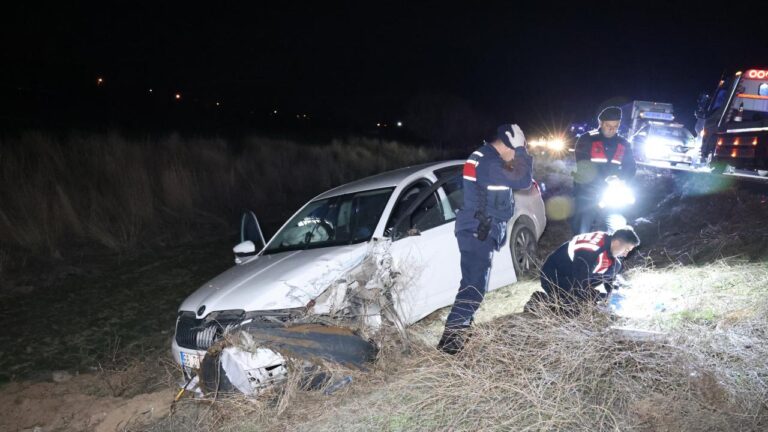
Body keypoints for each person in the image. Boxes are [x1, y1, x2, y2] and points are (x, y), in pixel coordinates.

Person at [437, 124, 534, 354]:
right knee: (473, 287)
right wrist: (522, 151)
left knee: (472, 284)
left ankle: (460, 332)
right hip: (477, 231)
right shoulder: (488, 162)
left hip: (476, 230)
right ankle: (450, 343)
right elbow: (523, 180)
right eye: (516, 150)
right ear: (509, 145)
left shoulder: (484, 158)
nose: (515, 157)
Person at [525, 228, 640, 313]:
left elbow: (608, 279)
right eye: (626, 249)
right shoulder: (590, 251)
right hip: (554, 276)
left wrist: (612, 293)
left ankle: (577, 299)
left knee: (615, 267)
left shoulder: (609, 247)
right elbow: (579, 285)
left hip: (575, 274)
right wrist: (599, 297)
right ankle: (539, 300)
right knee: (573, 311)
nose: (626, 254)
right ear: (617, 243)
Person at [571, 107, 637, 234]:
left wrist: (621, 179)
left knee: (618, 227)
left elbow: (631, 167)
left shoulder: (623, 144)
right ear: (600, 123)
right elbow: (583, 165)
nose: (612, 129)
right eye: (608, 125)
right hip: (588, 191)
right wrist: (605, 180)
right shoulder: (587, 139)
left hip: (612, 193)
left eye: (615, 126)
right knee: (582, 228)